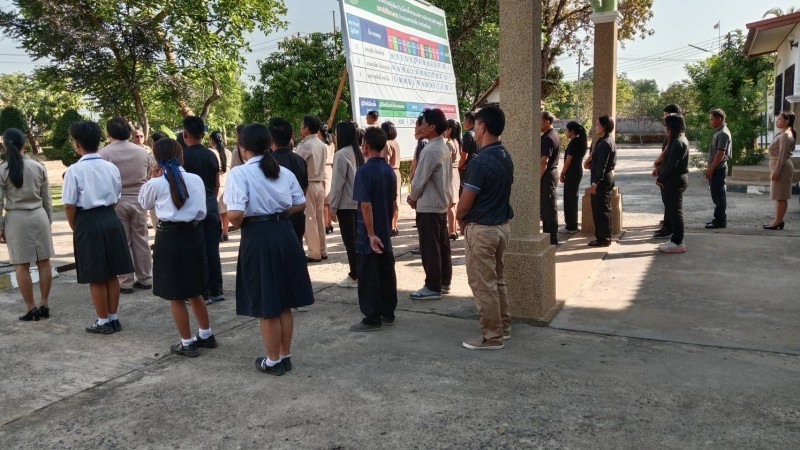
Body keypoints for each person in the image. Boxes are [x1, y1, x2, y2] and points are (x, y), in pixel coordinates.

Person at [224, 123, 314, 376]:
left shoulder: (240, 173)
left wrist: (246, 221)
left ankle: (272, 360)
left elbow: (235, 214)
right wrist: (278, 212)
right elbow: (300, 202)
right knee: (284, 301)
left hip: (258, 236)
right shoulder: (283, 171)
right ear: (268, 144)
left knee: (267, 303)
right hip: (285, 233)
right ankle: (285, 356)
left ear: (243, 147)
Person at [138, 138, 217, 357]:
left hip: (170, 237)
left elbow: (144, 204)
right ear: (181, 156)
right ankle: (206, 334)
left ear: (157, 159)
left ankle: (187, 342)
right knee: (195, 289)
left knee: (175, 294)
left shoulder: (156, 183)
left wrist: (152, 177)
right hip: (193, 234)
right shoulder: (195, 179)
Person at [62, 121, 134, 334]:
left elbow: (69, 205)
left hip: (87, 220)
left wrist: (75, 225)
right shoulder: (111, 167)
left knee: (96, 275)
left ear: (77, 143)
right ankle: (113, 318)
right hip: (110, 217)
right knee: (112, 273)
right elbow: (116, 196)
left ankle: (103, 321)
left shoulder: (74, 170)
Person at [456, 105, 514, 350]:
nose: (474, 129)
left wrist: (459, 218)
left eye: (476, 125)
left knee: (483, 285)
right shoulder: (504, 155)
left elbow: (465, 202)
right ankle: (503, 327)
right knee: (496, 281)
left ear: (482, 127)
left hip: (482, 230)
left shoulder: (480, 162)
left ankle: (492, 337)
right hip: (500, 228)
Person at [0, 129, 54, 321]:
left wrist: (0, 227)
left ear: (5, 146)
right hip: (39, 215)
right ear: (25, 145)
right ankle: (44, 303)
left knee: (21, 266)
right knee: (44, 262)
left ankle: (30, 307)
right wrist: (48, 220)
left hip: (16, 219)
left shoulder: (3, 170)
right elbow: (47, 198)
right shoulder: (38, 166)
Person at [349, 127, 398, 331]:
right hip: (384, 229)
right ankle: (388, 312)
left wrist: (370, 234)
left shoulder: (364, 171)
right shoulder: (389, 171)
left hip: (368, 233)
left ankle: (372, 317)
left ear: (366, 145)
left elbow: (366, 206)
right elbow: (393, 202)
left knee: (368, 275)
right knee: (386, 272)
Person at [99, 117, 153, 295]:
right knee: (141, 239)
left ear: (109, 133)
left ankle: (126, 281)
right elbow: (149, 174)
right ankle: (145, 278)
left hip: (117, 201)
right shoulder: (142, 152)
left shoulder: (104, 154)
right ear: (129, 133)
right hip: (139, 199)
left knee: (124, 241)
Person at [407, 108, 452, 299]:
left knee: (430, 247)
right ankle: (443, 282)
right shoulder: (443, 147)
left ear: (432, 127)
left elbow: (419, 180)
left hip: (429, 204)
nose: (421, 127)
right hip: (441, 202)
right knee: (442, 244)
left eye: (423, 123)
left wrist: (412, 197)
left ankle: (433, 286)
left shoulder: (430, 149)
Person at [181, 116, 224, 304]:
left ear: (185, 134)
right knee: (212, 248)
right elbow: (216, 183)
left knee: (197, 250)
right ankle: (217, 289)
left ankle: (202, 292)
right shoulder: (211, 155)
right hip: (211, 204)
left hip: (192, 208)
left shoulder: (183, 157)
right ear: (203, 134)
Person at [330, 121, 362, 288]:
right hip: (359, 203)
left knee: (350, 242)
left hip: (346, 204)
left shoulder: (341, 154)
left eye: (335, 134)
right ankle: (360, 272)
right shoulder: (359, 152)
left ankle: (355, 275)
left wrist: (333, 207)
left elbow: (338, 183)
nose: (334, 137)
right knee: (358, 241)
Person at [269, 117, 308, 242]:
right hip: (298, 217)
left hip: (279, 220)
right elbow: (305, 189)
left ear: (270, 138)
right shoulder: (300, 160)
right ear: (292, 135)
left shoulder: (268, 163)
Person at [295, 115, 328, 263]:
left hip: (308, 184)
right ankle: (322, 249)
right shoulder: (322, 144)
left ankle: (314, 252)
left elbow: (298, 165)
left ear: (307, 129)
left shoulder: (304, 145)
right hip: (319, 184)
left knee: (309, 219)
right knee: (319, 218)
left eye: (302, 125)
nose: (300, 128)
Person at [656, 114, 689, 253]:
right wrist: (659, 170)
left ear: (671, 127)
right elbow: (667, 161)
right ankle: (676, 239)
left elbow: (672, 164)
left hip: (675, 180)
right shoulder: (676, 140)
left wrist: (661, 178)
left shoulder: (678, 142)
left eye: (666, 126)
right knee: (672, 210)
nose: (665, 129)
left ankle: (677, 242)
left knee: (675, 212)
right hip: (673, 179)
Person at [653, 104, 683, 239]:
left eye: (665, 115)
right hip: (666, 172)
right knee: (668, 204)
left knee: (672, 206)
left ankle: (671, 231)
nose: (663, 118)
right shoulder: (672, 135)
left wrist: (658, 165)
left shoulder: (677, 138)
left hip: (672, 177)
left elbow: (669, 156)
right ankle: (667, 225)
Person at [587, 115, 616, 247]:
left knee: (601, 210)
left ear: (604, 126)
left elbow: (602, 166)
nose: (595, 127)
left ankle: (604, 238)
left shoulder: (605, 143)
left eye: (597, 124)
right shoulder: (603, 140)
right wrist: (588, 161)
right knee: (600, 208)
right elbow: (595, 156)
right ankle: (602, 236)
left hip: (602, 180)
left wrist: (595, 183)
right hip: (602, 178)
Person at [764, 111, 796, 230]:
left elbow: (782, 156)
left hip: (782, 168)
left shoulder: (785, 135)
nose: (777, 121)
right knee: (778, 196)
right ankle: (777, 220)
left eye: (779, 120)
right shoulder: (782, 133)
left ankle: (778, 221)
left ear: (786, 121)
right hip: (778, 166)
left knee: (781, 196)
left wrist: (777, 171)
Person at [558, 121, 587, 234]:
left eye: (567, 130)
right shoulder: (580, 141)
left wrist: (562, 173)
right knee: (572, 198)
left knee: (570, 199)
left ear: (572, 131)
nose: (565, 132)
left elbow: (568, 160)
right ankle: (571, 224)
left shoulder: (574, 142)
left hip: (571, 173)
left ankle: (571, 226)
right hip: (576, 172)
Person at [705, 109, 732, 229]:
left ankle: (720, 220)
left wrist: (711, 169)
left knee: (719, 195)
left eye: (712, 119)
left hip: (718, 168)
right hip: (717, 167)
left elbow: (720, 154)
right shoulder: (719, 132)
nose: (710, 122)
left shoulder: (723, 133)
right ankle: (718, 219)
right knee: (716, 195)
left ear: (719, 119)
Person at [540, 111, 560, 245]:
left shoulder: (548, 138)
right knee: (548, 206)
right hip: (550, 174)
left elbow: (544, 161)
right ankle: (550, 235)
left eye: (539, 120)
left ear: (547, 122)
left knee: (548, 208)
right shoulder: (552, 134)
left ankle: (551, 237)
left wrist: (537, 178)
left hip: (547, 175)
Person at [209, 131, 232, 241]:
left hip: (216, 184)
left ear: (212, 140)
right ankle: (225, 233)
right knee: (225, 212)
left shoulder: (211, 152)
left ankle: (218, 233)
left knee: (217, 211)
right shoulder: (228, 152)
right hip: (227, 184)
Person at [381, 121, 401, 237]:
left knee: (389, 199)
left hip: (389, 172)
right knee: (396, 200)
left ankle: (390, 226)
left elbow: (385, 161)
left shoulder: (386, 144)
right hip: (397, 171)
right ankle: (395, 225)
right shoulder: (396, 143)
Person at [445, 119, 462, 241]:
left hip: (450, 173)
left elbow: (445, 161)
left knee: (450, 205)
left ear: (450, 129)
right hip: (456, 173)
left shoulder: (449, 143)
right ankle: (454, 229)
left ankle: (451, 231)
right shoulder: (457, 142)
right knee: (454, 203)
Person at [321, 124, 335, 235]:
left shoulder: (322, 145)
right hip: (330, 169)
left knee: (325, 201)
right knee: (329, 200)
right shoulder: (332, 144)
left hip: (324, 169)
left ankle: (325, 224)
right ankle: (329, 223)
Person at [458, 111, 478, 188]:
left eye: (464, 120)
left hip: (466, 169)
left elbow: (464, 157)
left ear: (469, 120)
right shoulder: (478, 133)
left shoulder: (468, 135)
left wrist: (457, 168)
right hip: (475, 167)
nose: (463, 123)